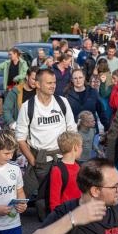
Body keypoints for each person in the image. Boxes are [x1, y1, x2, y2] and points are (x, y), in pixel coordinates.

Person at [15, 69, 77, 217]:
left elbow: (72, 130)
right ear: (37, 84)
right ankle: (46, 225)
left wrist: (71, 155)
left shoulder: (63, 102)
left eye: (54, 82)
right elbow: (20, 138)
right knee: (44, 196)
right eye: (49, 83)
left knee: (64, 193)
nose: (53, 86)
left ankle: (64, 222)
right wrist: (32, 160)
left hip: (63, 157)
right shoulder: (27, 107)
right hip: (40, 159)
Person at [38, 158, 118, 234]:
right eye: (115, 186)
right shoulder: (64, 213)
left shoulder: (117, 212)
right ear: (95, 191)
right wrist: (71, 220)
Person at [49, 131, 82, 212]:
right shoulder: (57, 170)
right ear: (75, 147)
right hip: (65, 215)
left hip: (80, 212)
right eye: (81, 146)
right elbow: (54, 200)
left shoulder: (79, 166)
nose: (82, 149)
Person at [3, 66, 38, 130]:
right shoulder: (15, 91)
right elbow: (6, 109)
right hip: (19, 127)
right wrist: (12, 123)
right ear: (27, 77)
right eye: (33, 79)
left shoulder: (40, 92)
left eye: (37, 80)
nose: (35, 82)